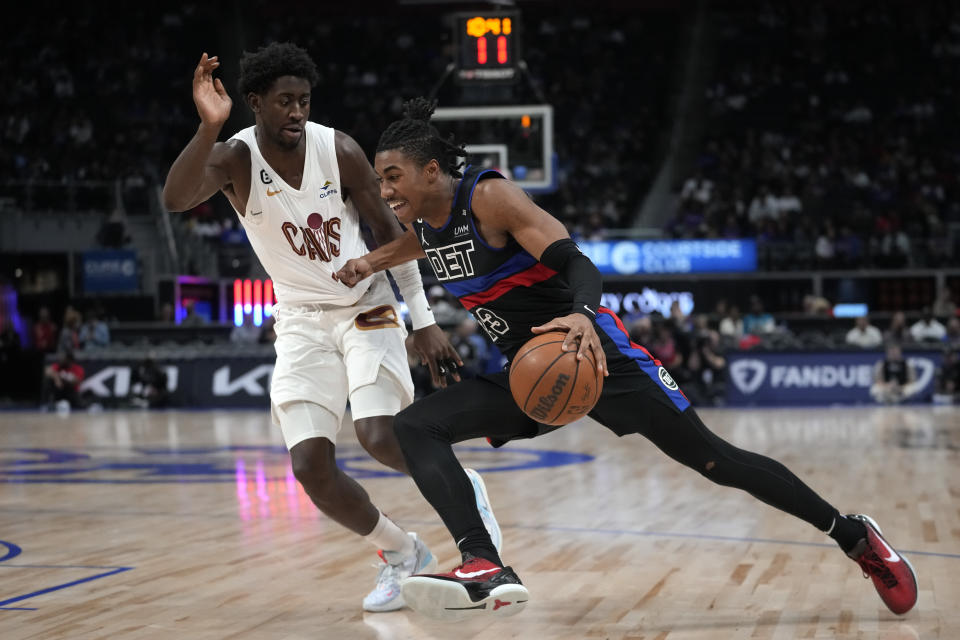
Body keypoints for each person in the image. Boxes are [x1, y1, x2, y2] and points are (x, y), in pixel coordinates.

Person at [334, 98, 917, 620]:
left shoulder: (490, 197)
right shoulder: (425, 223)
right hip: (533, 374)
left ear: (432, 170)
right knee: (417, 426)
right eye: (381, 179)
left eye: (394, 176)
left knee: (715, 460)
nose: (385, 190)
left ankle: (854, 536)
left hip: (595, 354)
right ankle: (484, 563)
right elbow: (425, 243)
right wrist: (373, 261)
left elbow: (578, 263)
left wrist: (584, 314)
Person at [161, 45, 501, 613]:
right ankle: (401, 553)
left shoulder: (337, 148)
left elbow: (392, 232)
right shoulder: (234, 158)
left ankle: (465, 488)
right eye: (284, 101)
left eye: (304, 100)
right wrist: (208, 126)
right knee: (309, 467)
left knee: (377, 436)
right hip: (298, 321)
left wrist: (423, 320)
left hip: (365, 306)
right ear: (254, 103)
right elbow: (174, 199)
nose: (297, 111)